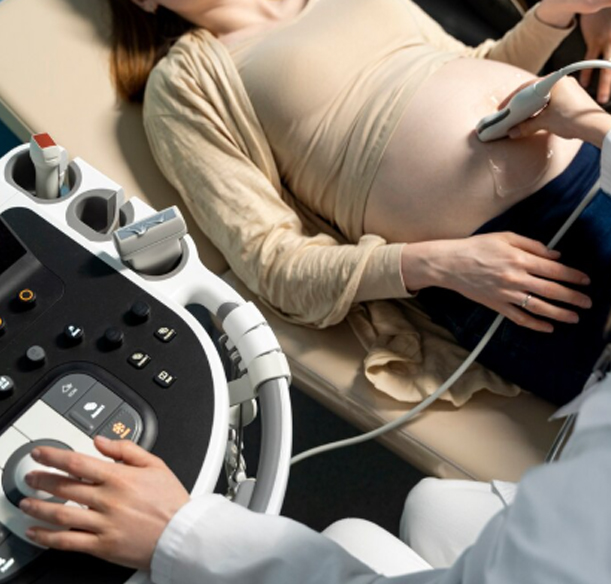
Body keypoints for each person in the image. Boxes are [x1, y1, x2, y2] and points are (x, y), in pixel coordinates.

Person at [107, 0, 611, 408]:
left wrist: (551, 14)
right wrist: (442, 265)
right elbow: (273, 262)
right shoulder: (185, 83)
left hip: (592, 157)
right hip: (507, 261)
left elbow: (479, 65)